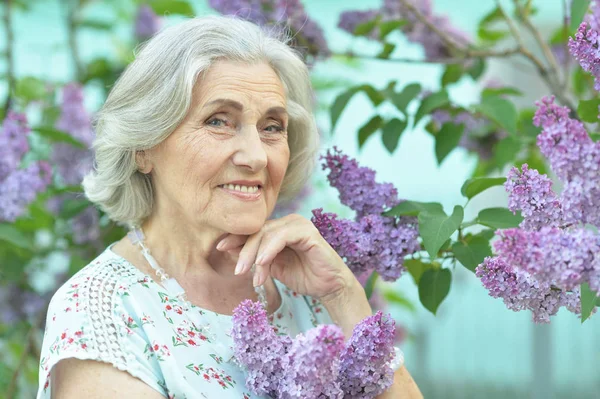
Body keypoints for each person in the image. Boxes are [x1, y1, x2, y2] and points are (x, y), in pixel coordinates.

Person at [37, 14, 423, 398]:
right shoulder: (101, 309)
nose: (256, 156)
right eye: (219, 121)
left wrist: (344, 294)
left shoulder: (312, 290)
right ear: (144, 147)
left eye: (272, 127)